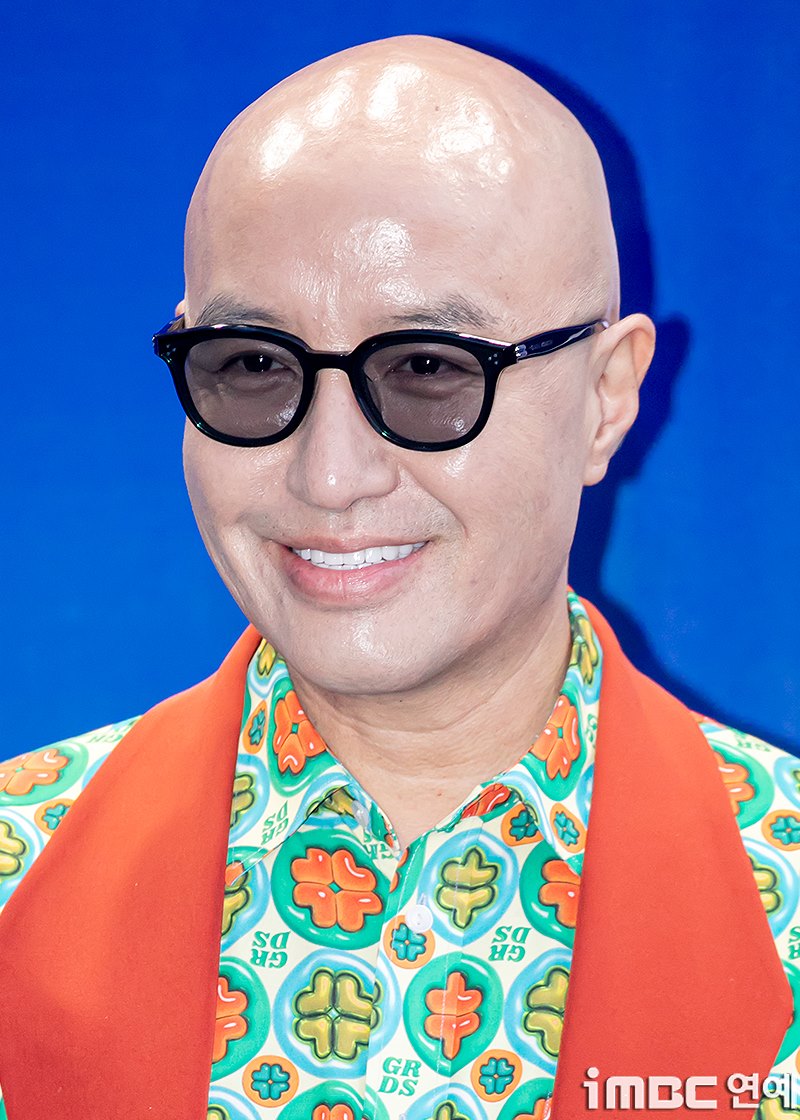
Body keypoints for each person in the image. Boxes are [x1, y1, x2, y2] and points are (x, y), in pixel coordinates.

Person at [0, 34, 797, 1120]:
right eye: (252, 364)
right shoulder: (19, 865)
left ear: (605, 400)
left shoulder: (786, 899)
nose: (330, 475)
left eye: (428, 367)